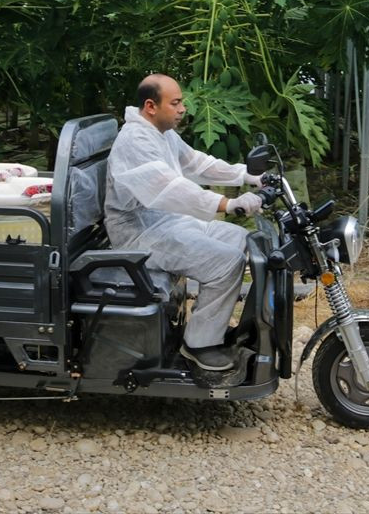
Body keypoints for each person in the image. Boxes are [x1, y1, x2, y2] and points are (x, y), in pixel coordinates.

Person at [103, 73, 264, 372]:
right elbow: (169, 188)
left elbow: (196, 163)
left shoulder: (160, 132)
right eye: (175, 103)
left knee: (242, 241)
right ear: (151, 106)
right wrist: (227, 204)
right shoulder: (134, 141)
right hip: (137, 231)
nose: (182, 109)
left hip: (163, 221)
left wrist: (245, 175)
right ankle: (199, 344)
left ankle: (221, 328)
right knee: (226, 262)